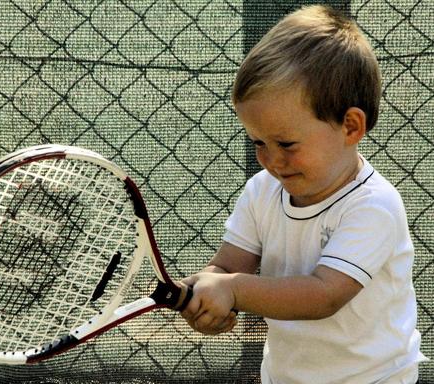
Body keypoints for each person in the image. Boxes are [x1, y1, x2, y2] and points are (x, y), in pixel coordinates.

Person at [180, 5, 427, 384]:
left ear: (350, 126)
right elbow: (229, 267)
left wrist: (232, 290)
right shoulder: (262, 190)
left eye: (287, 143)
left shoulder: (374, 205)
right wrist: (202, 291)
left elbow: (323, 295)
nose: (272, 160)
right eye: (258, 142)